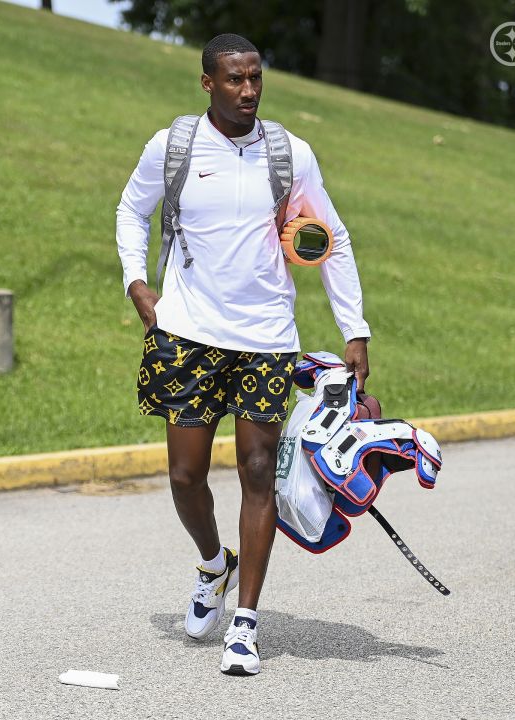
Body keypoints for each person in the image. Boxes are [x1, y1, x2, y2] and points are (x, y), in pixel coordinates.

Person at [115, 33, 371, 676]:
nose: (248, 90)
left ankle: (246, 625)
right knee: (185, 476)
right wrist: (136, 282)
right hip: (190, 330)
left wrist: (354, 329)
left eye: (255, 78)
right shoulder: (173, 147)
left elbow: (331, 237)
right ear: (208, 82)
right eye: (234, 79)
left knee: (259, 470)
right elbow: (131, 210)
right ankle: (213, 564)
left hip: (264, 337)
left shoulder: (289, 154)